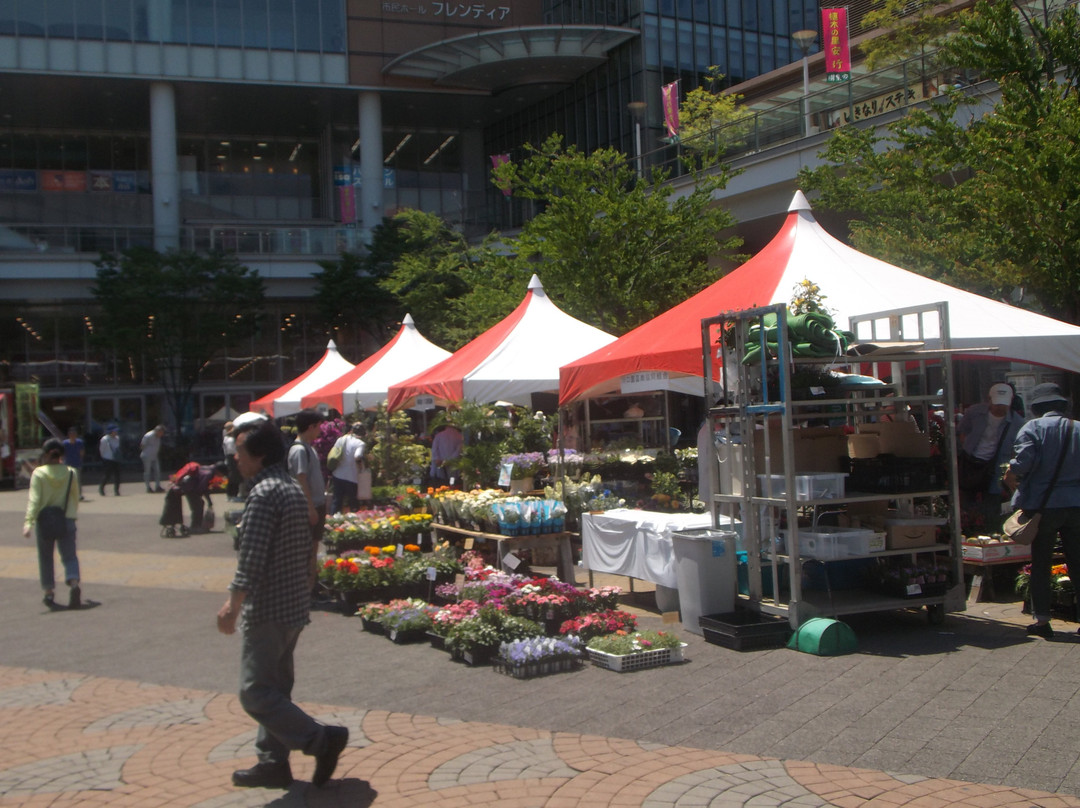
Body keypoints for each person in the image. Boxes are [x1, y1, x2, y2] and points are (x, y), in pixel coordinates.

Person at [216, 418, 349, 790]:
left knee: (254, 690)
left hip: (269, 606)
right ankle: (273, 762)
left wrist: (232, 604)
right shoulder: (289, 488)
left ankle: (320, 740)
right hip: (292, 603)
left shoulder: (262, 495)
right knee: (275, 688)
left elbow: (252, 559)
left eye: (240, 451)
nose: (236, 459)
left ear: (257, 455)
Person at [1002, 382, 1080, 639]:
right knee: (1077, 562)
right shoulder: (1078, 428)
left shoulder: (1032, 428)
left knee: (1042, 562)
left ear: (1037, 407)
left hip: (1043, 506)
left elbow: (1024, 463)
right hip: (1076, 504)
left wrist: (1010, 469)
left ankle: (1043, 620)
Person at [24, 438, 83, 610]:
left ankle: (49, 592)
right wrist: (71, 514)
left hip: (45, 520)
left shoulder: (39, 474)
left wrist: (28, 522)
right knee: (70, 555)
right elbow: (75, 497)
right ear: (61, 455)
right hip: (67, 518)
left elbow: (34, 500)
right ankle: (73, 583)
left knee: (45, 557)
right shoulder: (71, 472)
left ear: (45, 454)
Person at [956, 382, 1025, 532]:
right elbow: (962, 431)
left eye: (1004, 404)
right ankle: (968, 533)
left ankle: (991, 534)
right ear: (989, 399)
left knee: (992, 505)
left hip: (997, 467)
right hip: (971, 463)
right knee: (966, 502)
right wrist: (968, 448)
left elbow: (1017, 449)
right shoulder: (974, 412)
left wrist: (1011, 470)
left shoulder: (1017, 423)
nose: (1000, 408)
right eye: (996, 404)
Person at [287, 409, 327, 587]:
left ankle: (311, 585)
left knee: (313, 547)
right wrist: (310, 507)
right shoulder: (299, 450)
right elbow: (301, 479)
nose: (320, 431)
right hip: (310, 506)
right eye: (319, 427)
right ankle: (308, 589)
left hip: (317, 503)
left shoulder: (307, 447)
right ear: (311, 427)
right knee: (308, 550)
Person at [171, 460, 228, 534]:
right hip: (190, 488)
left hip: (189, 486)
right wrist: (208, 500)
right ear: (219, 471)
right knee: (197, 507)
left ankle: (196, 525)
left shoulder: (207, 468)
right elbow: (202, 488)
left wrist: (208, 500)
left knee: (199, 505)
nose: (222, 476)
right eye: (222, 474)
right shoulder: (209, 473)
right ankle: (194, 527)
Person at [329, 422, 368, 514]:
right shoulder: (360, 443)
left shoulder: (341, 439)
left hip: (337, 475)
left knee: (337, 501)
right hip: (351, 477)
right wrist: (361, 466)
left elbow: (335, 453)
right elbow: (357, 456)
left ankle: (332, 522)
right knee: (353, 502)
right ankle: (354, 523)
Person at [140, 424, 166, 493]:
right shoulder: (148, 435)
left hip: (154, 456)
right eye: (161, 432)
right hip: (147, 456)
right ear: (158, 431)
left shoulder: (158, 437)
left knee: (157, 471)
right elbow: (142, 445)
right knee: (147, 472)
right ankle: (148, 487)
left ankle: (158, 486)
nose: (162, 434)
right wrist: (147, 451)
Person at [62, 427, 86, 501]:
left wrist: (80, 460)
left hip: (77, 463)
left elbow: (82, 452)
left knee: (77, 480)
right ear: (69, 435)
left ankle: (79, 495)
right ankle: (67, 495)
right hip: (68, 464)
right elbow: (63, 453)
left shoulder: (79, 442)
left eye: (74, 434)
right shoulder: (65, 443)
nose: (73, 436)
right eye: (71, 434)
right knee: (67, 480)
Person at [98, 423, 121, 496]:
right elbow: (102, 449)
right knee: (107, 475)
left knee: (117, 475)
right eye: (114, 431)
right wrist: (104, 457)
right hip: (107, 459)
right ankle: (102, 488)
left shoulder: (117, 438)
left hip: (116, 459)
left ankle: (116, 490)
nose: (116, 432)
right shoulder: (105, 439)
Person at [222, 421, 241, 501]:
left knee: (234, 476)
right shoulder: (229, 440)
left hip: (231, 457)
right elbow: (231, 451)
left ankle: (233, 494)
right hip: (231, 458)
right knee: (233, 476)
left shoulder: (227, 438)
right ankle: (232, 494)